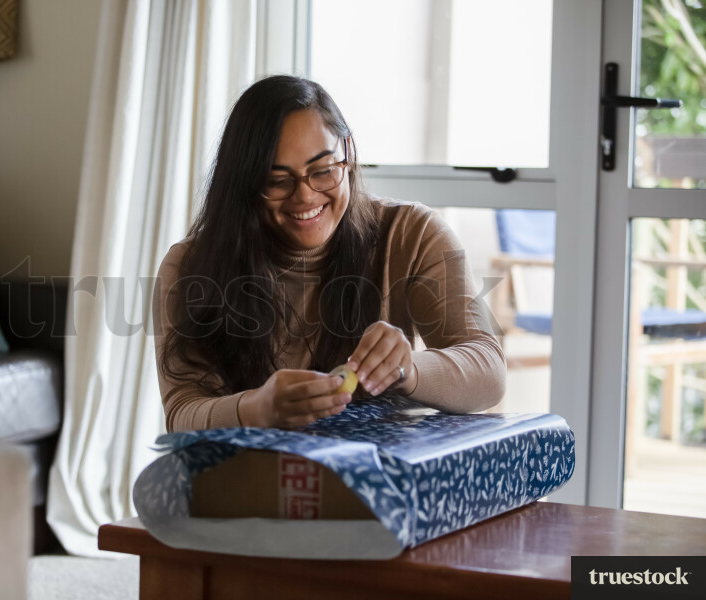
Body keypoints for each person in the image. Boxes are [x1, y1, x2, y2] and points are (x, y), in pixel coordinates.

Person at [154, 75, 505, 432]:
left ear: (348, 153)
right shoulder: (188, 266)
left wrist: (409, 368)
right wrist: (254, 409)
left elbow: (488, 371)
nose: (305, 197)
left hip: (379, 479)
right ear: (245, 183)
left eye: (322, 171)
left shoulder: (411, 235)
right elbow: (182, 413)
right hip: (249, 477)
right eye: (278, 181)